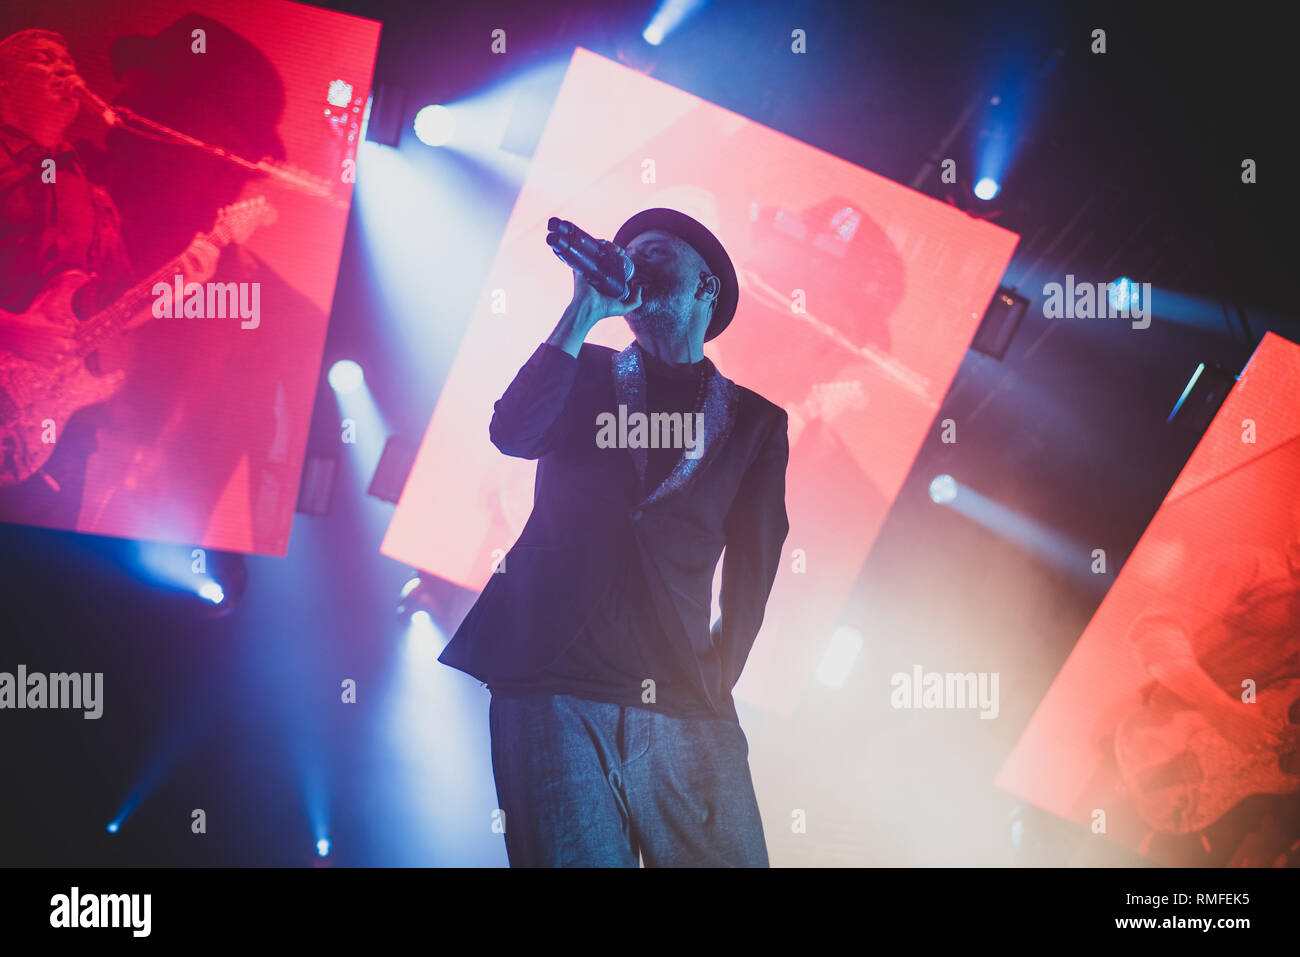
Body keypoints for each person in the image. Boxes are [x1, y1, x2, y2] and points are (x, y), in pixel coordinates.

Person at [439, 208, 790, 866]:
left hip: (683, 696)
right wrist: (583, 308)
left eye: (657, 254)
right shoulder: (586, 370)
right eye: (628, 253)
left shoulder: (755, 423)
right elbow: (512, 434)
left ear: (704, 288)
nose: (637, 262)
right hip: (551, 682)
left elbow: (756, 562)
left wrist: (718, 678)